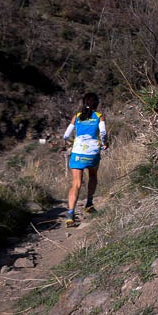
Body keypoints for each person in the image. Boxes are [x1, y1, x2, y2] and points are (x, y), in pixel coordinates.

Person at [62, 92, 109, 227]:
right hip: (92, 153)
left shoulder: (76, 117)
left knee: (76, 183)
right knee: (93, 176)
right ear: (96, 104)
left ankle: (70, 215)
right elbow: (103, 133)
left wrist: (70, 143)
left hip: (77, 153)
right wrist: (105, 143)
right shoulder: (99, 116)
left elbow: (66, 135)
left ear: (84, 103)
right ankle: (89, 204)